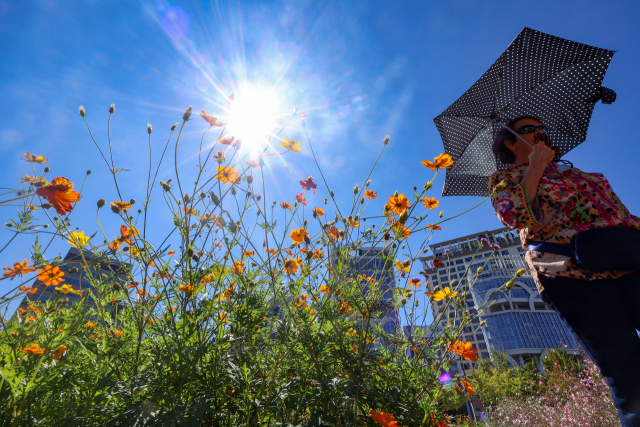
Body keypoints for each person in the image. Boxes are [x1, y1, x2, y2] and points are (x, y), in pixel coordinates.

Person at [489, 115, 640, 426]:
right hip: (572, 276)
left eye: (542, 126)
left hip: (629, 261)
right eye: (528, 129)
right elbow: (517, 215)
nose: (540, 131)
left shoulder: (580, 174)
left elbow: (621, 215)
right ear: (510, 142)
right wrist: (535, 168)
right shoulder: (505, 181)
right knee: (629, 374)